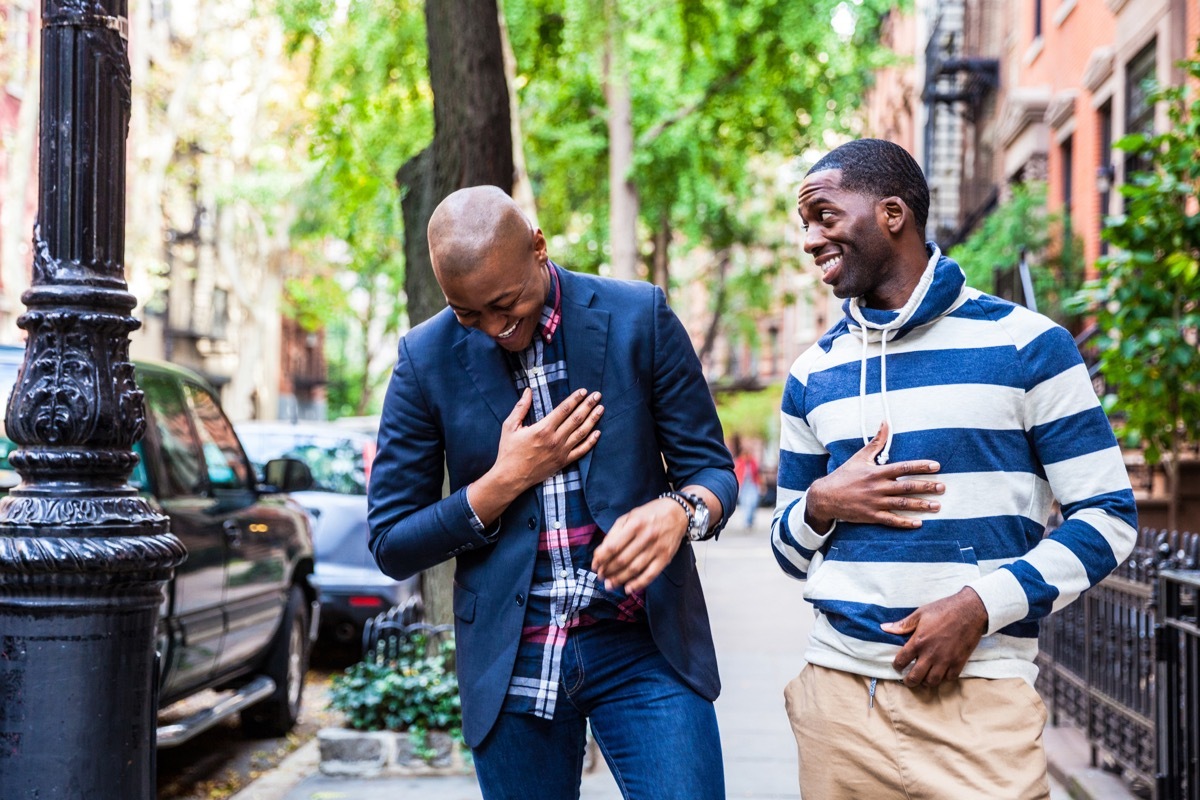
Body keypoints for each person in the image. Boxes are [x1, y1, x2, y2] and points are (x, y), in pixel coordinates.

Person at [770, 139, 1137, 799]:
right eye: (805, 225)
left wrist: (979, 606)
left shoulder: (1029, 346)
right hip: (840, 706)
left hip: (981, 709)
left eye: (824, 215)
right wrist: (821, 503)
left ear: (890, 214)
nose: (810, 239)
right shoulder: (811, 373)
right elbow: (787, 552)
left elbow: (1108, 518)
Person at [368, 185, 737, 800]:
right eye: (468, 314)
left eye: (505, 304)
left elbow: (711, 470)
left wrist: (681, 512)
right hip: (511, 660)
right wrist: (503, 480)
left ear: (538, 247)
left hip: (642, 646)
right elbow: (391, 541)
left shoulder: (637, 317)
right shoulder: (423, 359)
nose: (494, 328)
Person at [731, 435, 761, 529]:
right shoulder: (739, 462)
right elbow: (735, 472)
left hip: (752, 484)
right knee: (745, 503)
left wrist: (761, 485)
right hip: (744, 485)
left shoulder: (753, 462)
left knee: (753, 502)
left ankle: (750, 519)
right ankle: (747, 521)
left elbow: (758, 473)